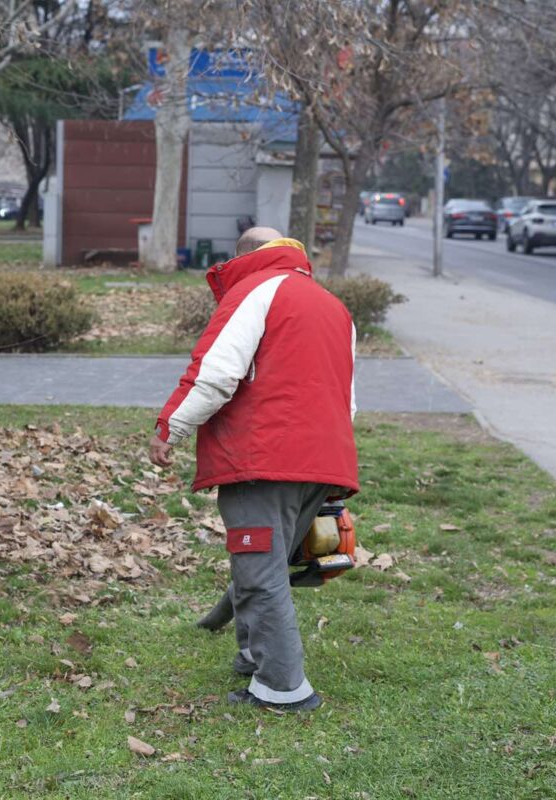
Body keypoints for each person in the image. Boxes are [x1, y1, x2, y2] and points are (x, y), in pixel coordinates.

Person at [150, 226, 359, 713]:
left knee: (261, 569)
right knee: (264, 561)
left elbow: (216, 373)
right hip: (322, 459)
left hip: (262, 458)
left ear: (242, 255)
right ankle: (250, 652)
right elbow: (346, 399)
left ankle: (284, 689)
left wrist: (169, 427)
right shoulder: (333, 306)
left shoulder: (253, 290)